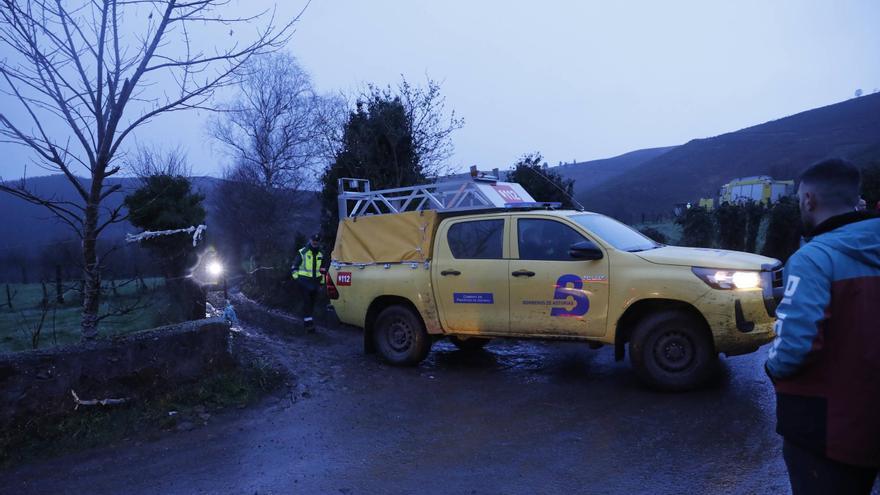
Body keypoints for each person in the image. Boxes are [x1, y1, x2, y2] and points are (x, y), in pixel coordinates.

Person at [765, 158, 880, 495]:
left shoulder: (814, 258)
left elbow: (796, 343)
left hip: (825, 431)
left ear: (809, 200)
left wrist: (773, 367)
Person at [291, 234, 326, 332]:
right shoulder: (303, 252)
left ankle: (308, 320)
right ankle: (308, 324)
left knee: (312, 302)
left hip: (316, 282)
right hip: (304, 281)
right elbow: (294, 267)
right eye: (313, 241)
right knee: (307, 301)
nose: (315, 243)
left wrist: (322, 283)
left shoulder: (321, 253)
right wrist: (297, 278)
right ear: (310, 240)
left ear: (319, 242)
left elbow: (323, 270)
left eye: (317, 241)